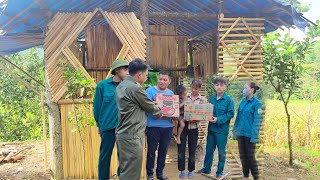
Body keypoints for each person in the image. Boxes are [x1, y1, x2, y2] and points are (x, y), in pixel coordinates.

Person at [116, 58, 162, 180]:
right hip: (132, 136)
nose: (147, 78)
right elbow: (150, 107)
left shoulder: (121, 85)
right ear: (139, 74)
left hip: (123, 134)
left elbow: (138, 104)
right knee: (131, 172)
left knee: (125, 169)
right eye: (146, 75)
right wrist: (161, 111)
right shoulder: (135, 88)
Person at [93, 59, 129, 180]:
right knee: (105, 156)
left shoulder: (128, 87)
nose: (127, 72)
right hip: (108, 127)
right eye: (125, 70)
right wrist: (99, 125)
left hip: (124, 128)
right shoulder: (102, 86)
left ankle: (121, 177)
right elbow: (97, 107)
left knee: (123, 157)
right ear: (117, 70)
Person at [198, 76, 234, 179]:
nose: (219, 87)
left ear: (225, 87)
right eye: (217, 85)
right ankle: (206, 168)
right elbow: (208, 111)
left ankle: (219, 172)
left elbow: (230, 114)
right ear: (214, 86)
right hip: (211, 129)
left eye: (221, 85)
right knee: (209, 150)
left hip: (222, 131)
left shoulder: (228, 100)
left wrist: (218, 119)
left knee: (221, 152)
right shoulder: (212, 98)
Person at [146, 70, 174, 180]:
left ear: (169, 82)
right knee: (151, 151)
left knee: (163, 151)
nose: (161, 81)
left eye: (164, 80)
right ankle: (150, 175)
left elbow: (173, 110)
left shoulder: (171, 94)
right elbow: (146, 107)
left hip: (167, 126)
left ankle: (160, 174)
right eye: (160, 79)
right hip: (153, 126)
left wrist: (173, 114)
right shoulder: (150, 91)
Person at [178, 80, 207, 179]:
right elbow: (178, 108)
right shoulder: (185, 96)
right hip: (184, 125)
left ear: (200, 88)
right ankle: (181, 170)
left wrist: (195, 118)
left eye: (196, 88)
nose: (194, 90)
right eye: (193, 88)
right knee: (181, 148)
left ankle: (191, 170)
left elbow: (204, 114)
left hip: (194, 127)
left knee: (192, 149)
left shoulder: (203, 100)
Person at [233, 82, 262, 180]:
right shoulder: (242, 102)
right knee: (242, 156)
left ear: (252, 90)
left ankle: (256, 177)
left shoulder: (257, 104)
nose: (244, 90)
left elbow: (257, 121)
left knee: (250, 158)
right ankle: (245, 176)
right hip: (241, 133)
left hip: (250, 135)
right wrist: (235, 131)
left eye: (246, 88)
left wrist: (254, 136)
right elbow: (238, 118)